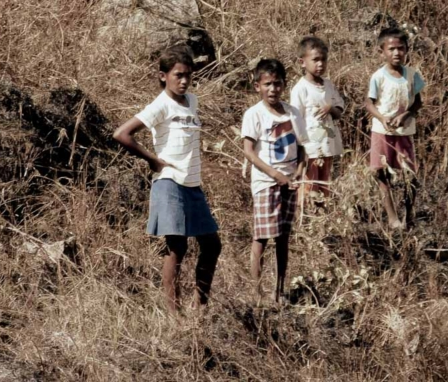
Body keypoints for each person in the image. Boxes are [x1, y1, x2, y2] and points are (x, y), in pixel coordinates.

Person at [113, 45, 222, 313]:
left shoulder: (192, 101)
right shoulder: (161, 104)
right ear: (164, 76)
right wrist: (152, 160)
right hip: (169, 182)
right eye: (178, 75)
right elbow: (122, 134)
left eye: (188, 76)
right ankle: (174, 315)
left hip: (192, 184)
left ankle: (199, 306)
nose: (184, 81)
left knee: (212, 245)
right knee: (177, 248)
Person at [241, 59, 308, 304]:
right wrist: (275, 175)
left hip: (289, 182)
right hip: (266, 183)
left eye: (277, 84)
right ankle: (256, 293)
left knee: (283, 236)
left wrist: (299, 171)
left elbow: (302, 148)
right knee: (261, 237)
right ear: (257, 86)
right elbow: (249, 151)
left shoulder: (293, 113)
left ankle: (279, 291)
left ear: (284, 85)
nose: (272, 89)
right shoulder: (254, 114)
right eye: (267, 84)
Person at [365, 27, 426, 229]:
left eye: (401, 48)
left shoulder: (412, 75)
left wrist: (406, 114)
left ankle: (409, 216)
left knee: (409, 174)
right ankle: (392, 217)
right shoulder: (378, 77)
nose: (396, 53)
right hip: (381, 132)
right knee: (380, 172)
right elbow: (369, 104)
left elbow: (418, 102)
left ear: (407, 49)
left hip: (404, 132)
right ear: (381, 51)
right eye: (391, 49)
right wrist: (382, 118)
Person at [290, 36, 344, 203]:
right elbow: (295, 120)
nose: (320, 64)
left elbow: (340, 110)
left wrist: (330, 108)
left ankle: (323, 220)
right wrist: (300, 148)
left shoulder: (328, 85)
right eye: (315, 60)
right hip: (310, 148)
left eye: (323, 60)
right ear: (302, 62)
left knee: (325, 183)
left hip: (328, 144)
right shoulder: (300, 89)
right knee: (310, 185)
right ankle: (308, 220)